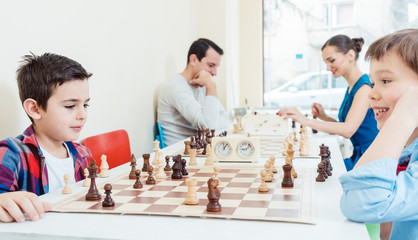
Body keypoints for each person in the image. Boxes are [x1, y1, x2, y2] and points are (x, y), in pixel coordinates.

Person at [339, 29, 418, 240]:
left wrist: (403, 118)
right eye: (373, 83)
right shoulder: (407, 148)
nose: (371, 94)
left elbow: (360, 203)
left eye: (385, 81)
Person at [0, 53, 93, 223]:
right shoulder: (12, 154)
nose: (83, 114)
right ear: (34, 109)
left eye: (85, 104)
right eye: (70, 106)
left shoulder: (83, 153)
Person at [278, 35, 379, 171]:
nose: (328, 67)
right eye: (326, 62)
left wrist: (304, 120)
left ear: (350, 55)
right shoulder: (352, 87)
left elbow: (348, 130)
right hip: (360, 156)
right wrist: (324, 116)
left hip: (371, 160)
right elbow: (348, 126)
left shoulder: (364, 88)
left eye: (331, 61)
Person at [157, 38, 230, 146]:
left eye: (216, 67)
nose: (214, 73)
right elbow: (209, 128)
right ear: (194, 60)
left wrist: (209, 86)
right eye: (211, 65)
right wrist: (211, 86)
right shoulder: (174, 87)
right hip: (179, 157)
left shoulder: (202, 86)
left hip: (199, 151)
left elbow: (225, 121)